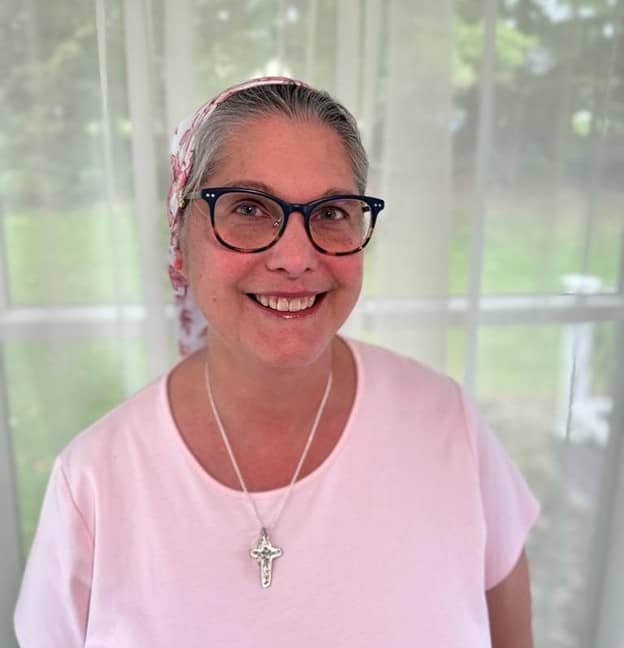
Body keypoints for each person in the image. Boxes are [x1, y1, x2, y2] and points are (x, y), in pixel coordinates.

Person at [14, 76, 539, 647]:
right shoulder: (93, 483)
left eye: (331, 212)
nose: (295, 257)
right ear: (180, 240)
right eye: (249, 208)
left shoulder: (447, 425)